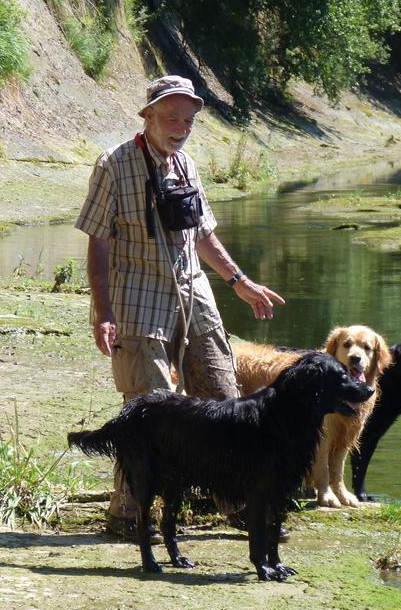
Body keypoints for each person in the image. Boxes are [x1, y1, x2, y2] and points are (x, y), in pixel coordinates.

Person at [75, 74, 285, 537]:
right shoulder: (114, 164)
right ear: (147, 115)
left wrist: (239, 281)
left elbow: (203, 234)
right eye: (171, 116)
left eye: (187, 119)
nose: (180, 126)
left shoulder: (187, 164)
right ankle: (128, 514)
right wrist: (103, 311)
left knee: (224, 398)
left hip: (193, 292)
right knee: (149, 409)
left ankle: (236, 503)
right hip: (136, 293)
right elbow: (98, 244)